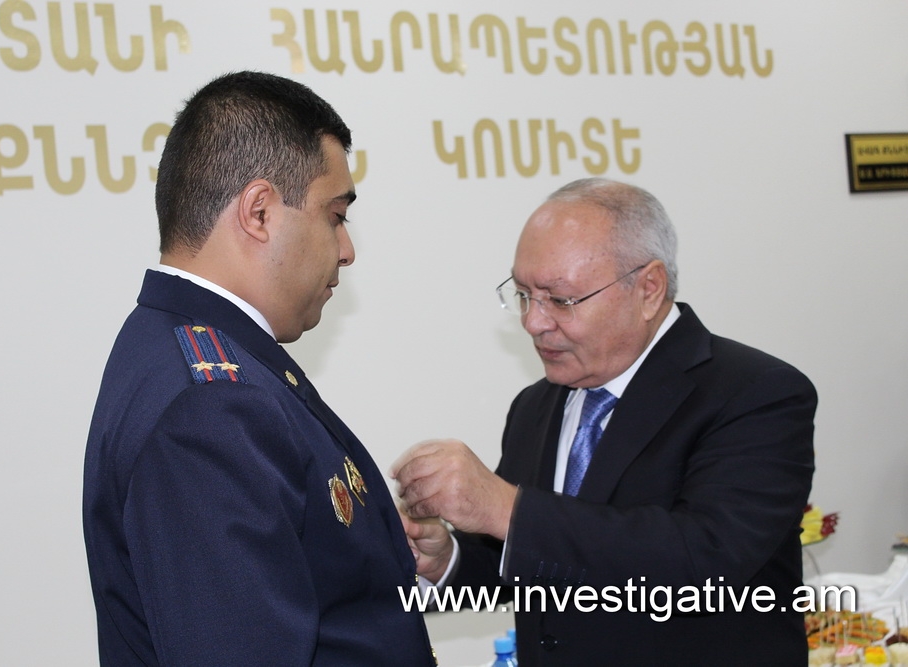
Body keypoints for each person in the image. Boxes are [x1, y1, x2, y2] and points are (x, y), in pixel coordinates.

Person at [83, 71, 436, 666]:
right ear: (259, 211)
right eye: (335, 215)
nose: (347, 250)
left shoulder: (190, 349)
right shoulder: (210, 406)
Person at [392, 178, 816, 666]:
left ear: (649, 289)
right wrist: (449, 559)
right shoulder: (536, 404)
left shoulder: (755, 392)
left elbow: (707, 563)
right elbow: (540, 561)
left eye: (560, 299)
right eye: (524, 294)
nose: (533, 322)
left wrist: (505, 507)